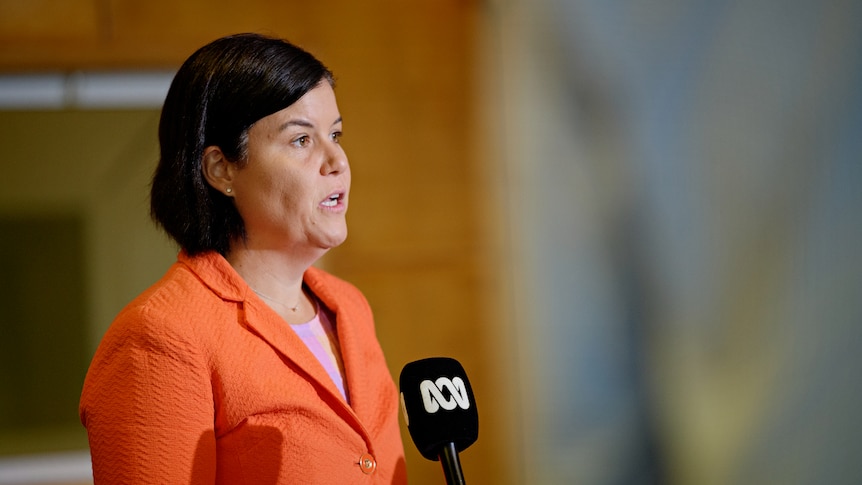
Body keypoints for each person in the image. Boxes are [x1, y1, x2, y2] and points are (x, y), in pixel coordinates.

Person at [79, 33, 407, 484]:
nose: (337, 161)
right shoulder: (159, 337)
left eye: (335, 135)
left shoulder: (349, 308)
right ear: (221, 169)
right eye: (301, 140)